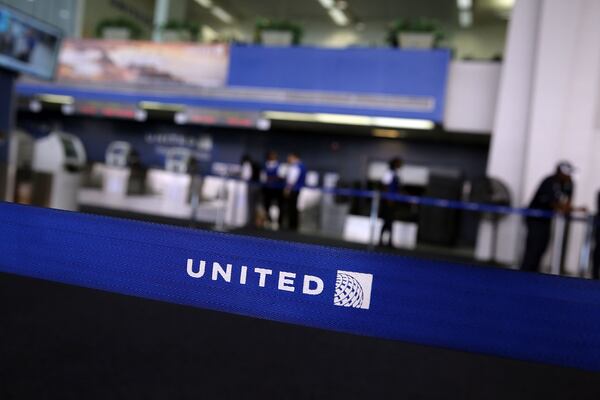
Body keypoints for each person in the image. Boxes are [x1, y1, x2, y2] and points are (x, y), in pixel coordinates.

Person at [521, 161, 576, 272]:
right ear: (560, 172)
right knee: (533, 247)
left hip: (546, 219)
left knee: (542, 246)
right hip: (535, 219)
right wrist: (571, 208)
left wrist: (568, 207)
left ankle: (533, 272)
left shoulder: (568, 183)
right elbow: (555, 204)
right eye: (567, 173)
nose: (569, 176)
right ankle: (525, 272)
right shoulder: (549, 181)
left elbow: (568, 203)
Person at [379, 157, 403, 247]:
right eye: (399, 163)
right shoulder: (389, 173)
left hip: (393, 200)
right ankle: (381, 241)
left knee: (390, 221)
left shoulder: (396, 173)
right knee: (387, 221)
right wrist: (389, 198)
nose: (401, 165)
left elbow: (397, 188)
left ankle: (389, 241)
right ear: (395, 163)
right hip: (388, 201)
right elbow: (384, 186)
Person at [283, 152, 306, 231]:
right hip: (298, 189)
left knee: (292, 208)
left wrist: (287, 189)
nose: (288, 159)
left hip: (294, 190)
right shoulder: (302, 166)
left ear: (294, 157)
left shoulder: (296, 166)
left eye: (290, 157)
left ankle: (292, 226)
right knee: (294, 208)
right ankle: (293, 225)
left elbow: (292, 180)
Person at [261, 150, 283, 229]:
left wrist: (273, 179)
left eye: (273, 155)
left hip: (277, 189)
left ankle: (277, 221)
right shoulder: (265, 165)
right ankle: (268, 219)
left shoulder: (279, 166)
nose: (272, 157)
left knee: (277, 205)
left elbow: (281, 177)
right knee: (267, 204)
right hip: (267, 188)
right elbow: (263, 177)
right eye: (271, 155)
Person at [240, 154, 260, 227]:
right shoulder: (255, 164)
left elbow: (246, 176)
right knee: (255, 205)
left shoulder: (247, 165)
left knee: (250, 204)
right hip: (258, 186)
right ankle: (254, 221)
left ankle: (251, 222)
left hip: (251, 185)